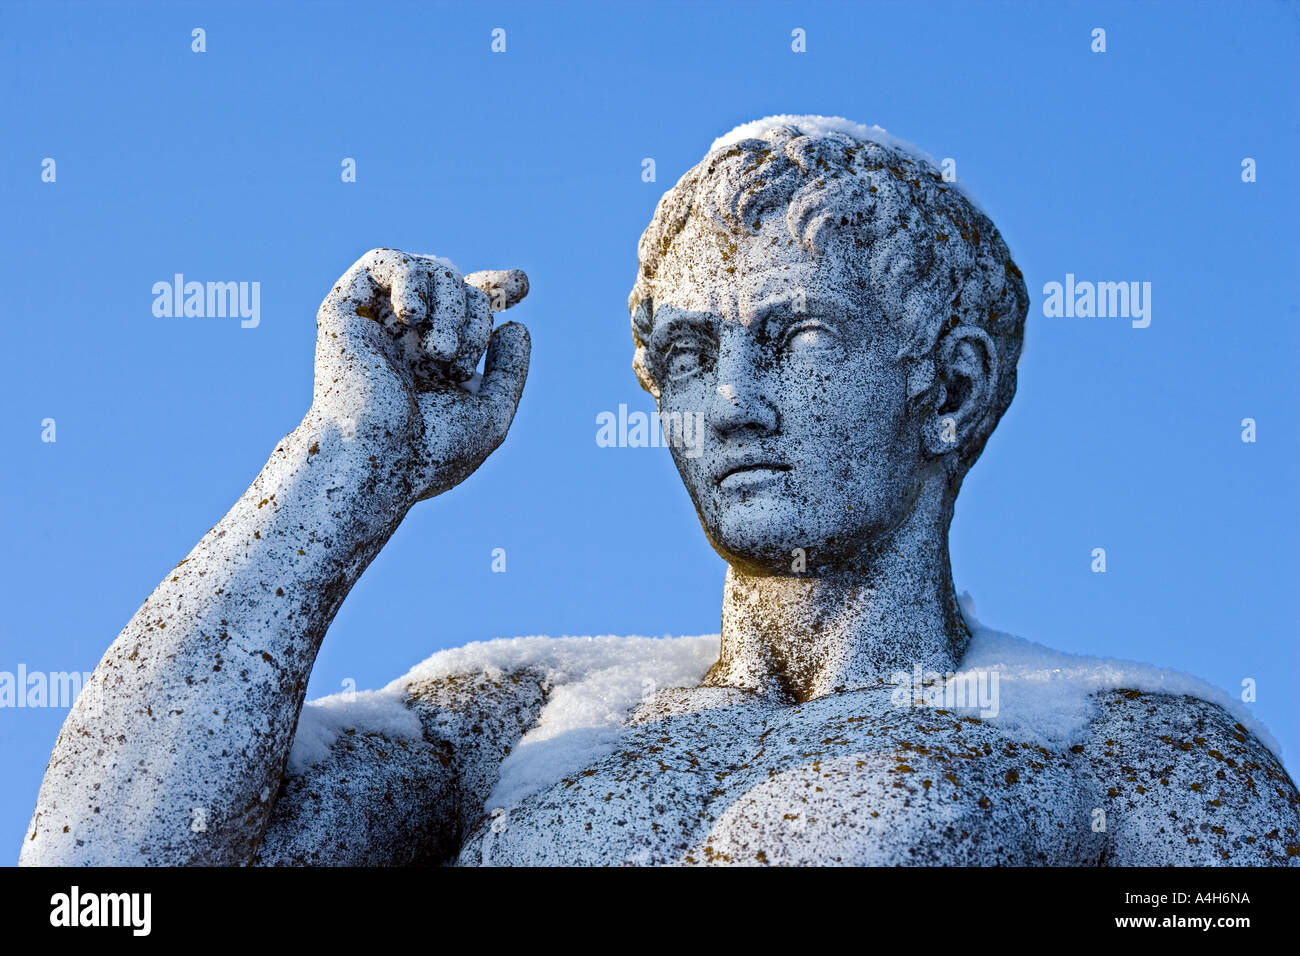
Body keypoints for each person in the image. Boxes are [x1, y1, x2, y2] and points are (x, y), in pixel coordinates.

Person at [20, 116, 1299, 866]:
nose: (729, 402)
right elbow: (99, 871)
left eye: (792, 340)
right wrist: (347, 468)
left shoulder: (1128, 747)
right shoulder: (511, 716)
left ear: (949, 388)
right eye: (688, 354)